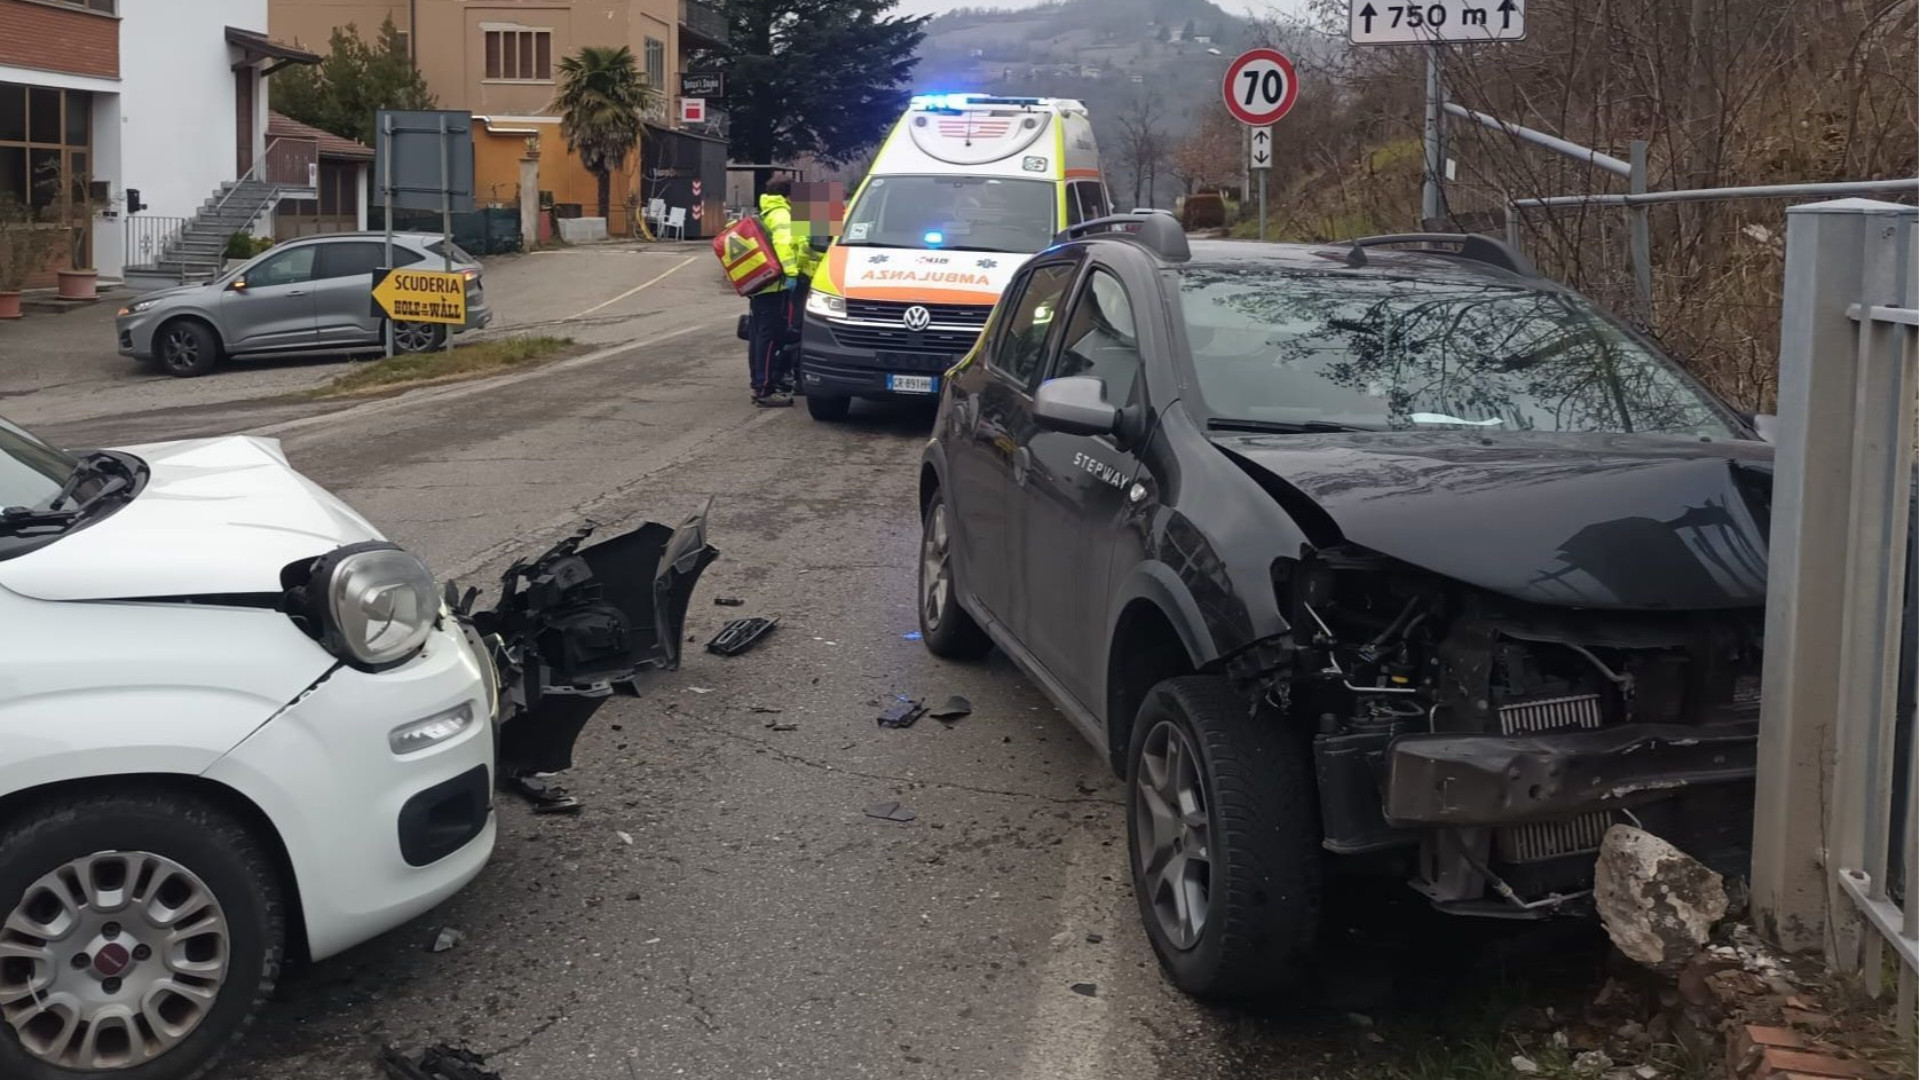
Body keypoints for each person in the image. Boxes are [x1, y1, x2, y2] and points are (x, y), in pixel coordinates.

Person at [747, 174, 801, 406]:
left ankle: (760, 383)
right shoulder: (782, 214)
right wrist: (791, 274)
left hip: (760, 284)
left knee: (759, 335)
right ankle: (766, 389)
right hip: (774, 286)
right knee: (771, 338)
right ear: (788, 195)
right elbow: (783, 244)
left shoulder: (767, 211)